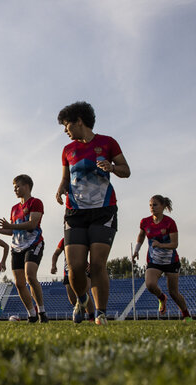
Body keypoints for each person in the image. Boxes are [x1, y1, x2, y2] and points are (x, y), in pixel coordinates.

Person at [56, 101, 130, 325]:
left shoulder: (107, 143)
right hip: (75, 212)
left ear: (79, 121)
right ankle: (81, 299)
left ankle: (100, 313)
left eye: (67, 125)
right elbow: (66, 178)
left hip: (103, 210)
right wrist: (61, 188)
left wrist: (112, 168)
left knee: (97, 264)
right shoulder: (68, 150)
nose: (65, 131)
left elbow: (126, 170)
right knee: (76, 267)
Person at [0, 174, 48, 323]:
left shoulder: (36, 202)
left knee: (30, 276)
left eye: (18, 186)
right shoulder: (14, 209)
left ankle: (42, 312)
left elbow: (32, 224)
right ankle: (32, 314)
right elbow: (12, 231)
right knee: (19, 283)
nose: (15, 190)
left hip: (34, 243)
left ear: (27, 186)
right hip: (17, 247)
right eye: (14, 188)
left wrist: (10, 225)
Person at [132, 195, 192, 322]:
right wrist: (136, 250)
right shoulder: (145, 222)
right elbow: (141, 235)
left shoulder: (170, 223)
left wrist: (160, 245)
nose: (152, 208)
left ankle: (186, 315)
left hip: (170, 261)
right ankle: (161, 297)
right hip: (154, 261)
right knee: (150, 284)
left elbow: (175, 244)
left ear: (163, 206)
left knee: (174, 293)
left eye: (155, 205)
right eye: (150, 205)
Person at [51, 237, 95, 321]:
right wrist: (53, 265)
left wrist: (92, 265)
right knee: (72, 298)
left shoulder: (84, 236)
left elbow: (94, 251)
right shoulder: (64, 240)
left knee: (85, 293)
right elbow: (56, 254)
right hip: (68, 270)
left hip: (84, 268)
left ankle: (91, 317)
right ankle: (80, 309)